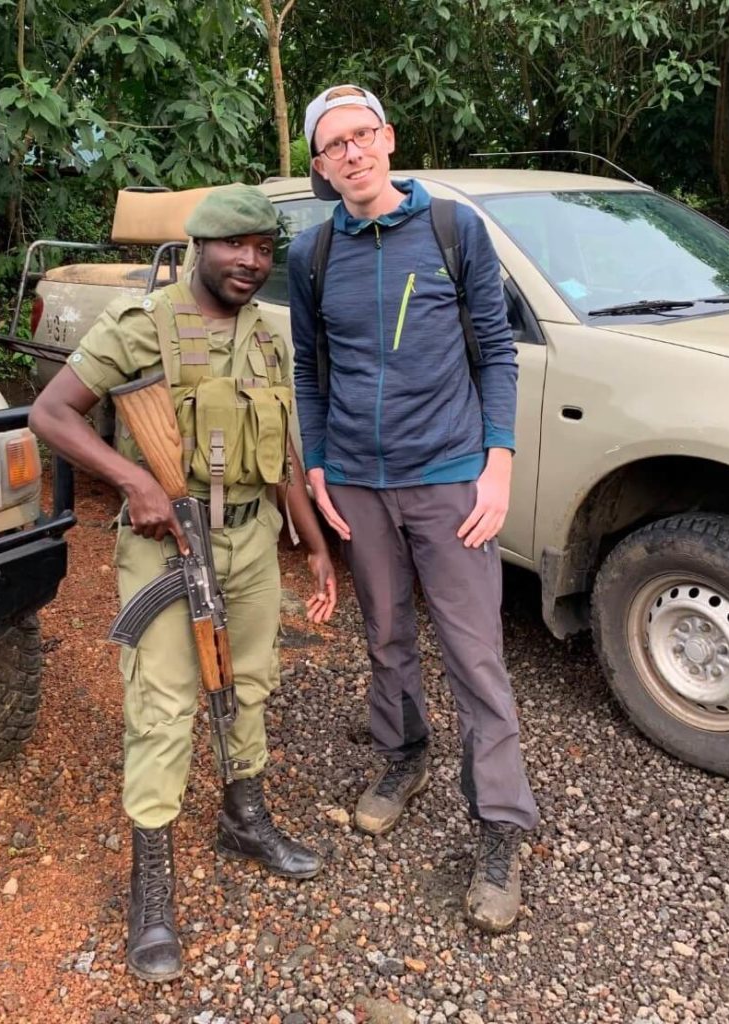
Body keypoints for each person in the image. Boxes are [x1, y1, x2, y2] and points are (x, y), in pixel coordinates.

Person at [29, 186, 337, 983]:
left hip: (252, 541)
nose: (250, 261)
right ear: (200, 244)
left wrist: (313, 545)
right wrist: (133, 478)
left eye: (264, 249)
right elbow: (52, 414)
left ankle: (245, 816)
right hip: (166, 543)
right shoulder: (142, 324)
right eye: (235, 246)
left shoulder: (268, 336)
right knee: (164, 704)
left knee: (251, 685)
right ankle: (152, 883)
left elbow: (284, 450)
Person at [287, 84, 539, 934]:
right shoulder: (312, 254)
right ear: (319, 166)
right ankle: (402, 757)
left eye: (362, 136)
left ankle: (500, 828)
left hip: (451, 480)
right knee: (385, 634)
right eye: (334, 145)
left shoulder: (453, 230)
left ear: (388, 140)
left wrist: (496, 467)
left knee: (476, 657)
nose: (352, 153)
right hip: (357, 480)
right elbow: (309, 369)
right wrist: (318, 466)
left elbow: (497, 351)